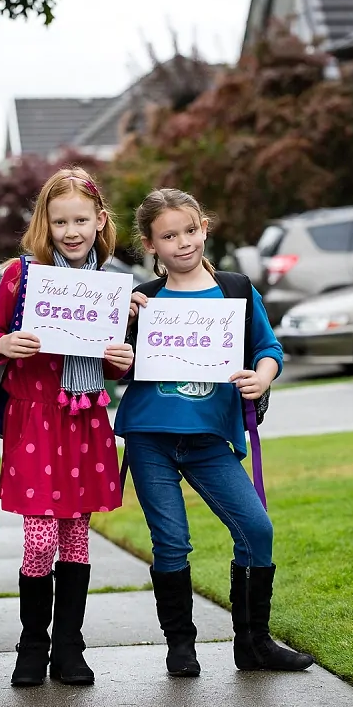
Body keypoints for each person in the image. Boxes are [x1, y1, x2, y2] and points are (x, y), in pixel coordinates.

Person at [116, 188, 313, 677]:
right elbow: (118, 368)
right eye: (168, 236)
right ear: (150, 244)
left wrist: (262, 376)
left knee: (256, 529)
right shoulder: (144, 300)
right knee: (171, 542)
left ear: (204, 226)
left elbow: (269, 348)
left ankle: (254, 645)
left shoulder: (236, 290)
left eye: (189, 230)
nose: (182, 243)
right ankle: (180, 646)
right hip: (150, 436)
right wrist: (123, 334)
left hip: (209, 439)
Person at [0, 167, 134, 688]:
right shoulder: (20, 277)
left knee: (76, 540)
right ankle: (32, 646)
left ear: (99, 221)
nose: (71, 231)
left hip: (84, 418)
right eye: (60, 220)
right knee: (39, 541)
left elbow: (113, 368)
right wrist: (1, 345)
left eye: (81, 220)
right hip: (36, 417)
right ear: (45, 222)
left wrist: (120, 357)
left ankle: (69, 647)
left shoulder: (109, 286)